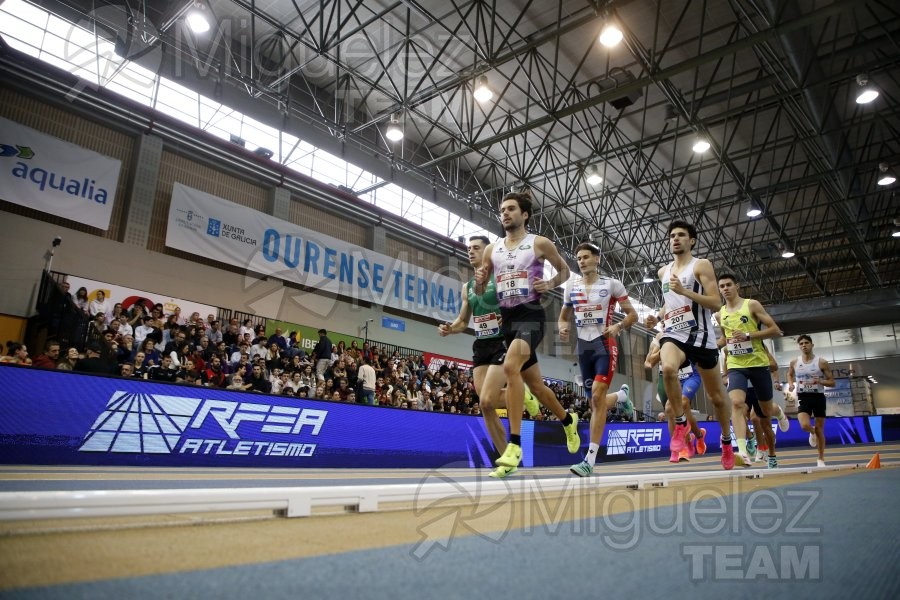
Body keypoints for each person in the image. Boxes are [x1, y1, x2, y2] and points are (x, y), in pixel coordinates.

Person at [474, 190, 580, 472]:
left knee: (511, 367)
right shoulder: (492, 249)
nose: (505, 213)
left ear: (524, 215)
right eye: (502, 210)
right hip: (508, 321)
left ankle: (515, 444)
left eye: (510, 209)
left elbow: (565, 272)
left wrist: (551, 283)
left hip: (532, 316)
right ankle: (568, 421)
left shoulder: (539, 243)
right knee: (536, 385)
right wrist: (481, 281)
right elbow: (481, 290)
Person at [439, 234, 549, 477]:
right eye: (468, 248)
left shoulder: (500, 277)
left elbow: (517, 304)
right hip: (481, 345)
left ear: (487, 251)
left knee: (488, 399)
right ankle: (508, 460)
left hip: (502, 342)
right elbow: (462, 320)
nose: (470, 252)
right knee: (485, 404)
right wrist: (450, 328)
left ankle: (521, 396)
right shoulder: (467, 287)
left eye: (476, 248)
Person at [645, 220, 734, 470]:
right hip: (675, 333)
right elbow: (669, 302)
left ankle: (726, 442)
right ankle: (682, 422)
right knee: (669, 369)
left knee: (717, 398)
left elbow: (717, 303)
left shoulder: (701, 265)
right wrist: (658, 316)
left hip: (703, 337)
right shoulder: (663, 272)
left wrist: (686, 292)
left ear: (691, 240)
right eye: (672, 235)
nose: (675, 239)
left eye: (681, 235)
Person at [559, 242, 638, 477]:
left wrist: (619, 325)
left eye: (585, 257)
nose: (581, 261)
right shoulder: (571, 287)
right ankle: (622, 397)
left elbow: (633, 314)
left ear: (597, 259)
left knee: (596, 396)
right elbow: (564, 317)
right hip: (583, 348)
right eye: (578, 258)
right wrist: (563, 328)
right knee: (596, 403)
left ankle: (589, 459)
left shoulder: (611, 285)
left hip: (605, 344)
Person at [717, 273, 789, 469]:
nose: (725, 288)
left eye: (728, 285)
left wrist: (748, 335)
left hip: (757, 363)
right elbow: (725, 339)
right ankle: (741, 451)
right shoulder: (720, 313)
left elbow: (774, 329)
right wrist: (712, 346)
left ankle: (778, 411)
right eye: (721, 286)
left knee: (765, 411)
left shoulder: (752, 305)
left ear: (737, 286)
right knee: (737, 403)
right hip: (736, 365)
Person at [645, 330, 707, 463]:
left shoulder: (686, 331)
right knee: (670, 411)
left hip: (690, 375)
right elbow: (649, 362)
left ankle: (684, 446)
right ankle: (691, 440)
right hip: (673, 377)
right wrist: (665, 348)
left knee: (682, 404)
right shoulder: (660, 337)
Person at [787, 335, 835, 467]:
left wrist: (820, 381)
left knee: (820, 429)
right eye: (801, 343)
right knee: (804, 426)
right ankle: (812, 431)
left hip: (818, 397)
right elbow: (789, 374)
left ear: (812, 345)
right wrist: (791, 384)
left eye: (806, 343)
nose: (804, 345)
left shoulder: (822, 362)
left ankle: (820, 459)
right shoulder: (794, 362)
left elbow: (832, 382)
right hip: (803, 396)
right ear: (799, 346)